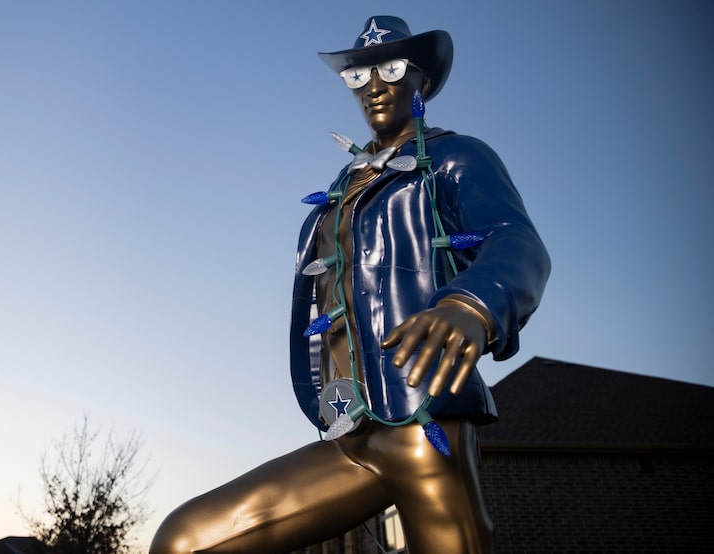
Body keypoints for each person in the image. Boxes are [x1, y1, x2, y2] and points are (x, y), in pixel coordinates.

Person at [150, 15, 550, 554]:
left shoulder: (454, 158)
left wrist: (472, 305)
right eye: (359, 76)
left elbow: (517, 242)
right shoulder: (345, 186)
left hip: (423, 419)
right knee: (184, 541)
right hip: (349, 435)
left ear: (421, 80)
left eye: (389, 68)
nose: (374, 86)